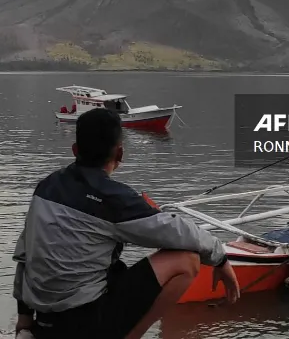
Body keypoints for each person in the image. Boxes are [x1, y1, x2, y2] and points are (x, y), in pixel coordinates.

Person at [13, 108, 241, 339]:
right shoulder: (113, 199)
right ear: (120, 153)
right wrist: (219, 258)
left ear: (75, 150)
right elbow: (179, 232)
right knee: (186, 259)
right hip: (84, 325)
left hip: (44, 323)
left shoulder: (46, 187)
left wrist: (24, 320)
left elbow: (25, 254)